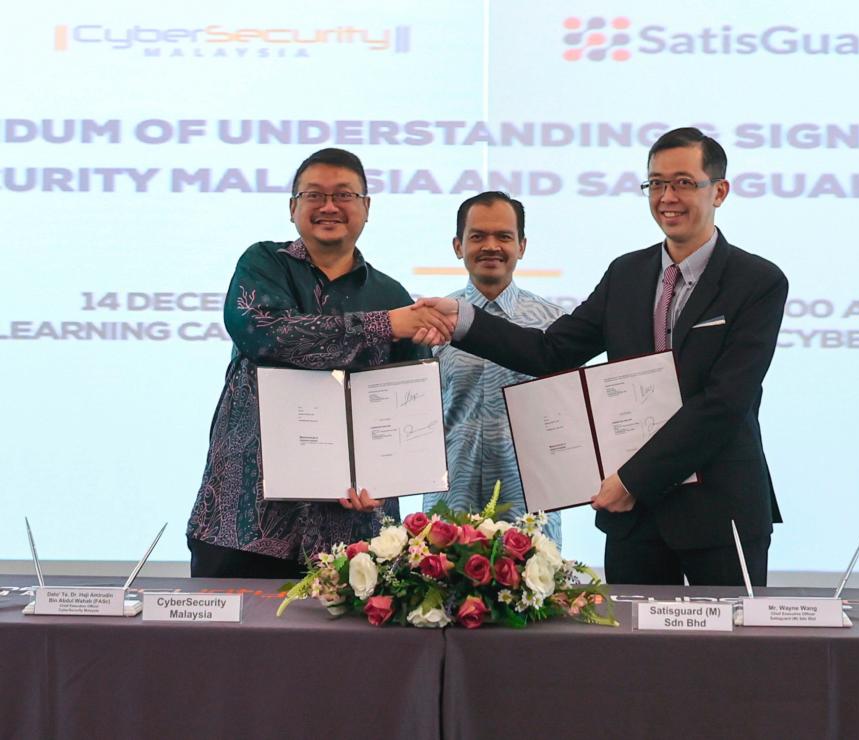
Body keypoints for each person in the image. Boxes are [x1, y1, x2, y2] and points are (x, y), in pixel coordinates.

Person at [417, 127, 787, 586]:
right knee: (633, 657)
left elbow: (724, 402)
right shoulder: (627, 273)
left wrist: (634, 479)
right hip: (635, 521)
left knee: (733, 655)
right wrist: (465, 321)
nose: (667, 196)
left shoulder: (758, 281)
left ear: (720, 191)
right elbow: (551, 351)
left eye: (683, 182)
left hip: (716, 510)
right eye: (655, 183)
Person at [186, 148, 452, 578]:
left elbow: (409, 404)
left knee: (343, 649)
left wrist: (388, 481)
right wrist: (386, 326)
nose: (329, 206)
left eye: (344, 195)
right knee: (228, 647)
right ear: (293, 208)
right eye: (314, 195)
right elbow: (266, 335)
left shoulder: (393, 295)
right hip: (243, 522)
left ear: (366, 208)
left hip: (352, 533)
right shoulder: (263, 264)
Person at [423, 192, 562, 545]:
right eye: (477, 236)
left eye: (503, 237)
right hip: (449, 506)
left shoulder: (553, 325)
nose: (491, 246)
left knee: (531, 600)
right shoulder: (432, 324)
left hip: (530, 510)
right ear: (458, 245)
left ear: (522, 246)